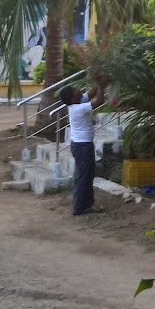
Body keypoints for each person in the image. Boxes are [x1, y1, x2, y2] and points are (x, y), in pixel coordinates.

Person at [60, 84, 97, 216]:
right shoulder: (78, 108)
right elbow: (100, 101)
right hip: (83, 146)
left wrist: (100, 83)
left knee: (86, 175)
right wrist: (98, 82)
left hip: (81, 144)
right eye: (76, 91)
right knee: (84, 176)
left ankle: (86, 204)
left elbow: (91, 93)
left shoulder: (78, 102)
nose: (79, 91)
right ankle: (80, 207)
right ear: (72, 98)